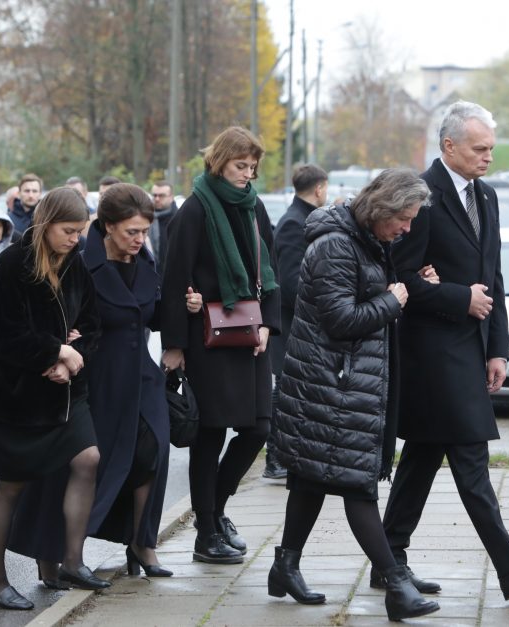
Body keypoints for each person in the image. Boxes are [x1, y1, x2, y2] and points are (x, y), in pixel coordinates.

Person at [381, 100, 509, 600]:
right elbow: (396, 280)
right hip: (431, 354)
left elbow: (494, 279)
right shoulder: (419, 196)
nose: (489, 156)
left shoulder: (487, 196)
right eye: (479, 148)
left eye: (490, 148)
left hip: (470, 349)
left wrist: (498, 348)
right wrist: (456, 297)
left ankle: (388, 557)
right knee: (470, 457)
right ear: (449, 146)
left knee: (422, 456)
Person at [269, 169, 440, 621]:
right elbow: (341, 319)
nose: (406, 228)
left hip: (345, 383)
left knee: (312, 478)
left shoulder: (367, 241)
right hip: (330, 385)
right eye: (402, 219)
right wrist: (393, 299)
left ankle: (284, 565)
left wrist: (407, 284)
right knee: (356, 485)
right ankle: (396, 584)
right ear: (380, 209)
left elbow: (366, 294)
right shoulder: (335, 245)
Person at [159, 126, 279, 564]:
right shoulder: (193, 211)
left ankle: (217, 509)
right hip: (207, 337)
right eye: (239, 165)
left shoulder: (254, 207)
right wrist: (174, 345)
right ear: (219, 162)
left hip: (250, 336)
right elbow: (173, 279)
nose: (247, 174)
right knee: (208, 436)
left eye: (252, 167)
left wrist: (270, 325)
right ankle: (205, 531)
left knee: (259, 430)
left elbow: (272, 270)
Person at [0, 187, 104, 610]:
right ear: (46, 224)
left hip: (67, 393)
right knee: (10, 488)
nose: (76, 238)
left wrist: (74, 356)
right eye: (69, 231)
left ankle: (71, 560)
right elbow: (4, 335)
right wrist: (56, 351)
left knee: (88, 459)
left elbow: (91, 321)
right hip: (18, 399)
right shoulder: (13, 263)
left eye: (80, 231)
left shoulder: (76, 261)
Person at [82, 183, 202, 578]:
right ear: (108, 227)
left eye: (145, 231)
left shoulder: (145, 261)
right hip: (101, 378)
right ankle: (69, 548)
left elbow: (148, 315)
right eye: (131, 231)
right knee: (102, 464)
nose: (140, 239)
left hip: (144, 378)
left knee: (153, 454)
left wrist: (184, 309)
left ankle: (143, 543)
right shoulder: (85, 267)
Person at [264, 164, 328, 481]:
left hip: (298, 326)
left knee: (296, 393)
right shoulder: (294, 223)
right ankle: (275, 457)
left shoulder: (302, 219)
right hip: (290, 325)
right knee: (286, 393)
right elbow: (290, 282)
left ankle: (289, 455)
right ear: (319, 188)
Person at [148, 180, 177, 273]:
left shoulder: (179, 219)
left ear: (171, 197)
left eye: (161, 195)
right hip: (151, 273)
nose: (157, 199)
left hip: (173, 274)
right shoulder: (145, 218)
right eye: (154, 195)